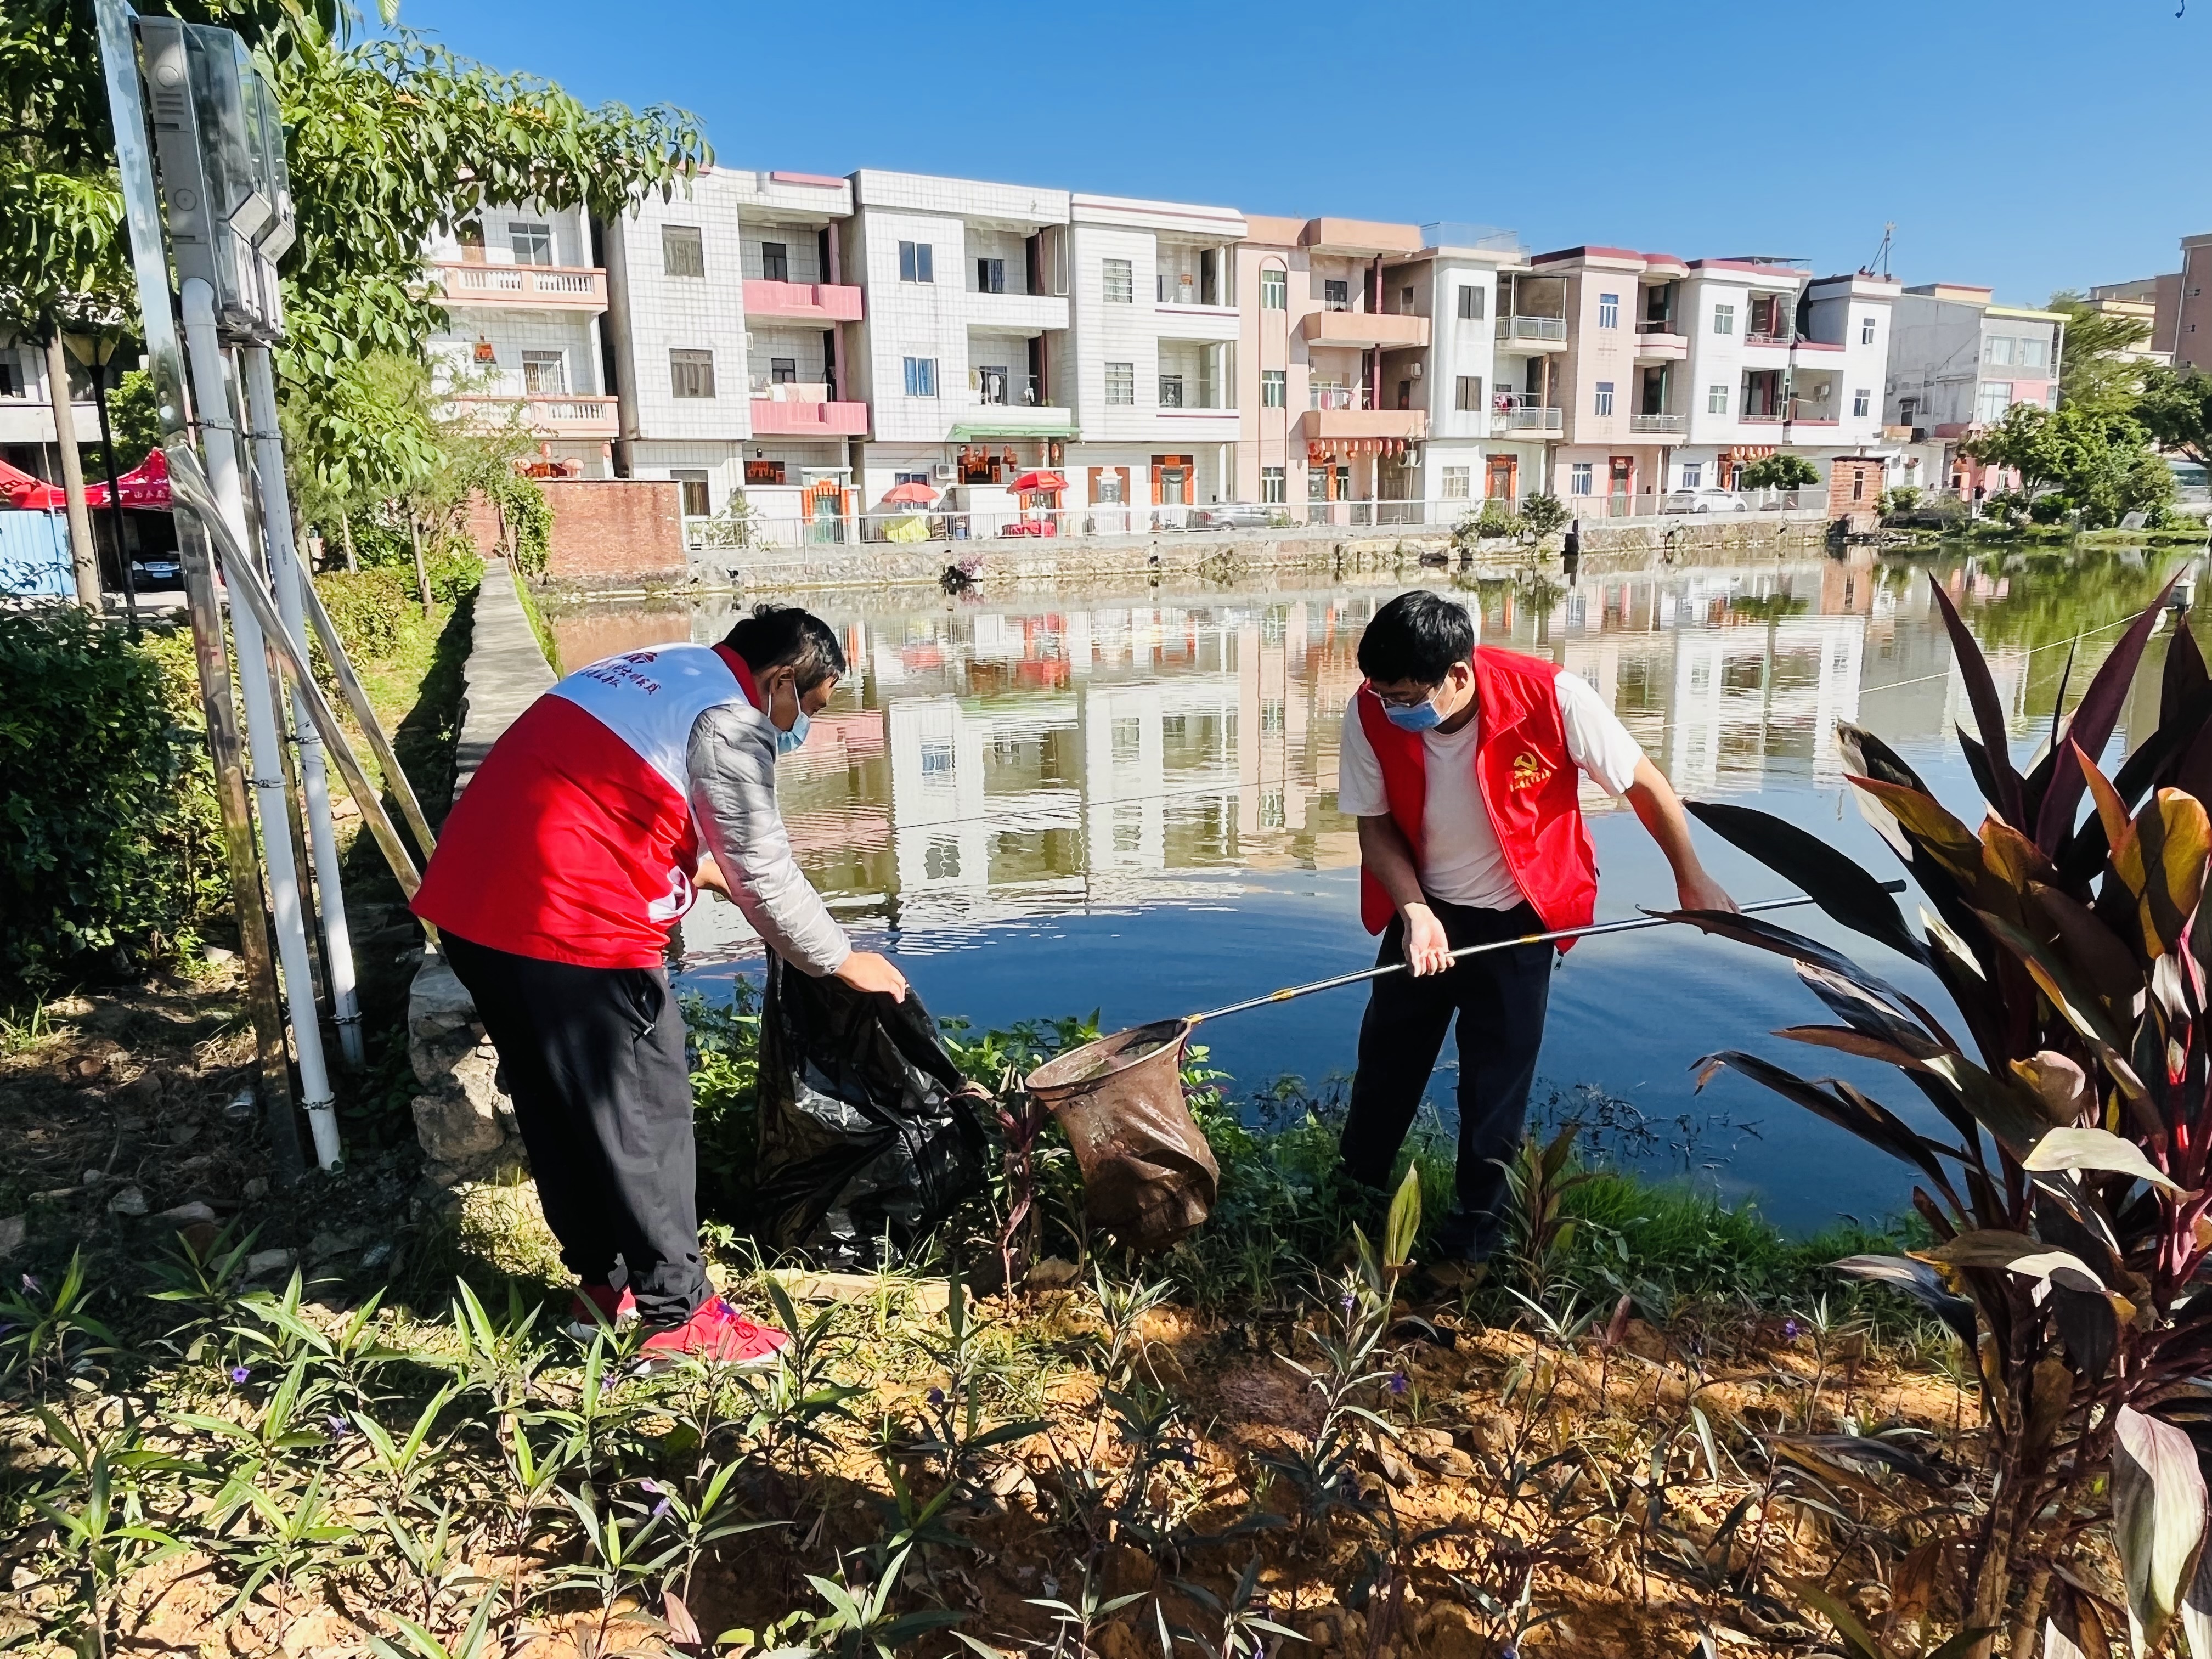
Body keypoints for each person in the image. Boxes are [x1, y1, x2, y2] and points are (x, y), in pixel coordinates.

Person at [409, 604, 909, 1364]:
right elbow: (765, 869)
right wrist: (841, 960)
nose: (803, 726)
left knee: (560, 1108)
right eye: (808, 706)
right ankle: (682, 1316)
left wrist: (705, 873)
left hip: (476, 912)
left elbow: (623, 795)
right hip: (571, 925)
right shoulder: (731, 717)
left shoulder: (660, 667)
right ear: (777, 681)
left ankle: (608, 1289)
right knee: (648, 1112)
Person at [1335, 590, 1736, 1266]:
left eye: (1407, 695)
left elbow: (1642, 785)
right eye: (1383, 695)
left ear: (1458, 673)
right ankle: (1347, 1208)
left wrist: (1690, 876)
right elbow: (1374, 826)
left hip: (1519, 918)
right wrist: (1416, 913)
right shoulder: (1369, 712)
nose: (1394, 708)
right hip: (1424, 912)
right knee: (1385, 1067)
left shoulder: (1554, 696)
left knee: (1494, 1089)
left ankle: (1470, 1248)